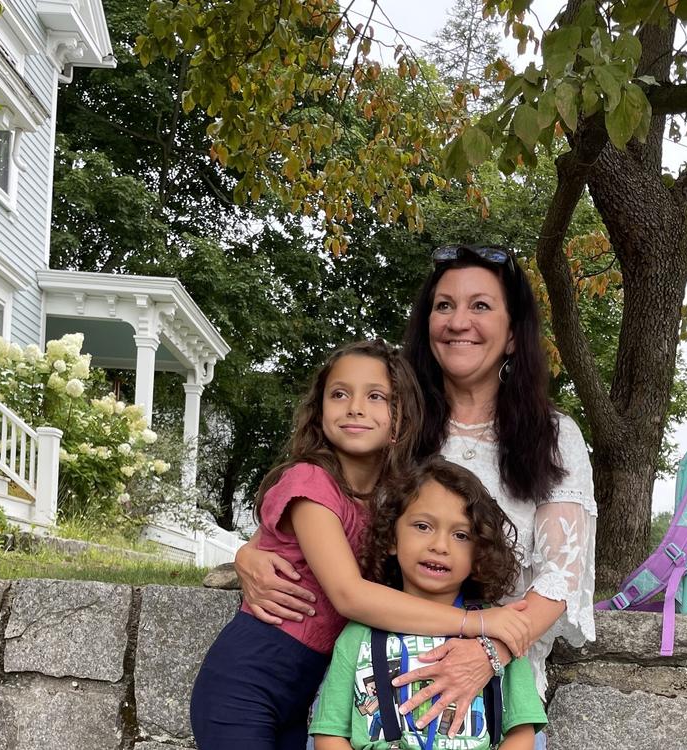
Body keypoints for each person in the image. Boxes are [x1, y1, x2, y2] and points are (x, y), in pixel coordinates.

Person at [236, 245, 596, 742]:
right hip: (373, 684)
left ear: (513, 335)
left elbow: (560, 578)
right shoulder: (394, 426)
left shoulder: (553, 437)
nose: (457, 321)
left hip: (494, 698)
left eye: (480, 306)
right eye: (443, 306)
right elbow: (322, 504)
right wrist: (248, 553)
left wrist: (489, 653)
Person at [191, 339, 533, 750]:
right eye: (339, 394)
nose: (355, 407)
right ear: (320, 411)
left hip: (304, 691)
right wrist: (477, 624)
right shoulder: (311, 481)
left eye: (376, 397)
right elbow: (349, 595)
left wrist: (247, 551)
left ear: (401, 418)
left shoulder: (394, 500)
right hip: (249, 680)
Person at [310, 456, 547, 750]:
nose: (439, 545)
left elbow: (522, 732)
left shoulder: (500, 630)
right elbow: (329, 734)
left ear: (479, 554)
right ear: (392, 538)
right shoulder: (358, 635)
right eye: (423, 526)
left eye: (461, 535)